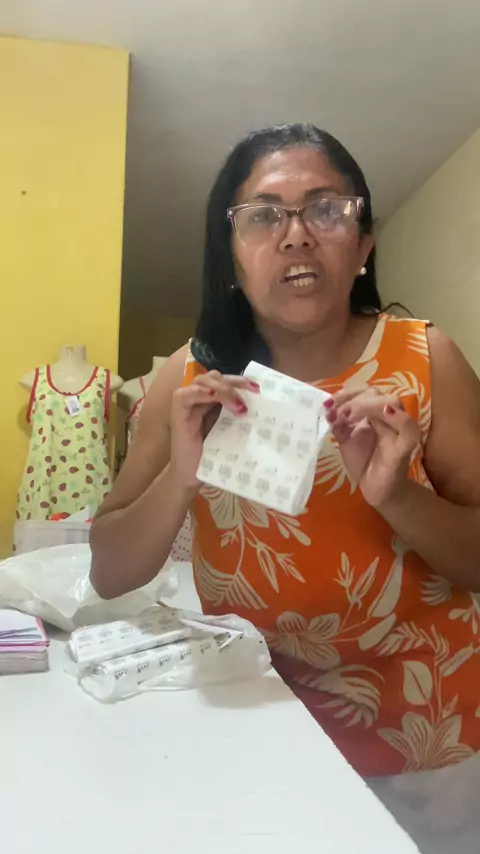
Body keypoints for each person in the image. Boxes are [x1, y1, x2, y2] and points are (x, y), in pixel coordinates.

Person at [90, 123, 480, 787]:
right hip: (254, 729)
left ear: (364, 244)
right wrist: (182, 476)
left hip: (429, 736)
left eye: (326, 210)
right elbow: (108, 573)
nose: (296, 235)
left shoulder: (425, 358)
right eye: (264, 215)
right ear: (230, 256)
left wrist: (397, 496)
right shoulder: (188, 379)